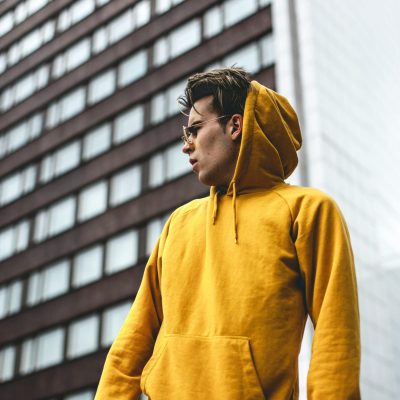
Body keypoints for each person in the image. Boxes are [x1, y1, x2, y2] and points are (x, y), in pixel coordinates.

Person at [95, 67, 360, 399]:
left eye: (195, 129)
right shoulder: (179, 223)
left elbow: (336, 336)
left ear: (235, 125)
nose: (186, 145)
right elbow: (133, 340)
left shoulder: (307, 210)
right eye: (184, 134)